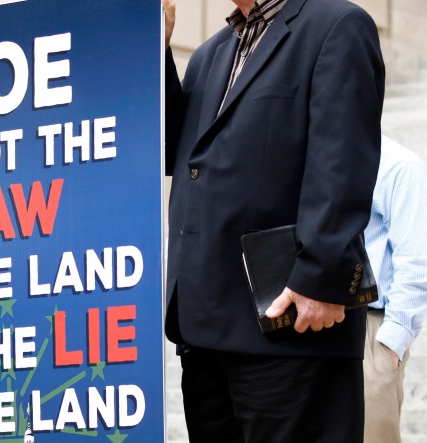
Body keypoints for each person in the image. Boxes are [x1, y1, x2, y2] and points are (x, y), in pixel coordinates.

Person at [161, 0, 384, 441]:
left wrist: (321, 278)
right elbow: (173, 149)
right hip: (204, 337)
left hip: (293, 325)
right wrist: (155, 50)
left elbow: (342, 162)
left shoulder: (337, 25)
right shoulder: (208, 53)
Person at [363, 135, 427, 443]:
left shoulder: (399, 165)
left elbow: (416, 264)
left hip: (369, 332)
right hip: (308, 326)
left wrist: (390, 347)